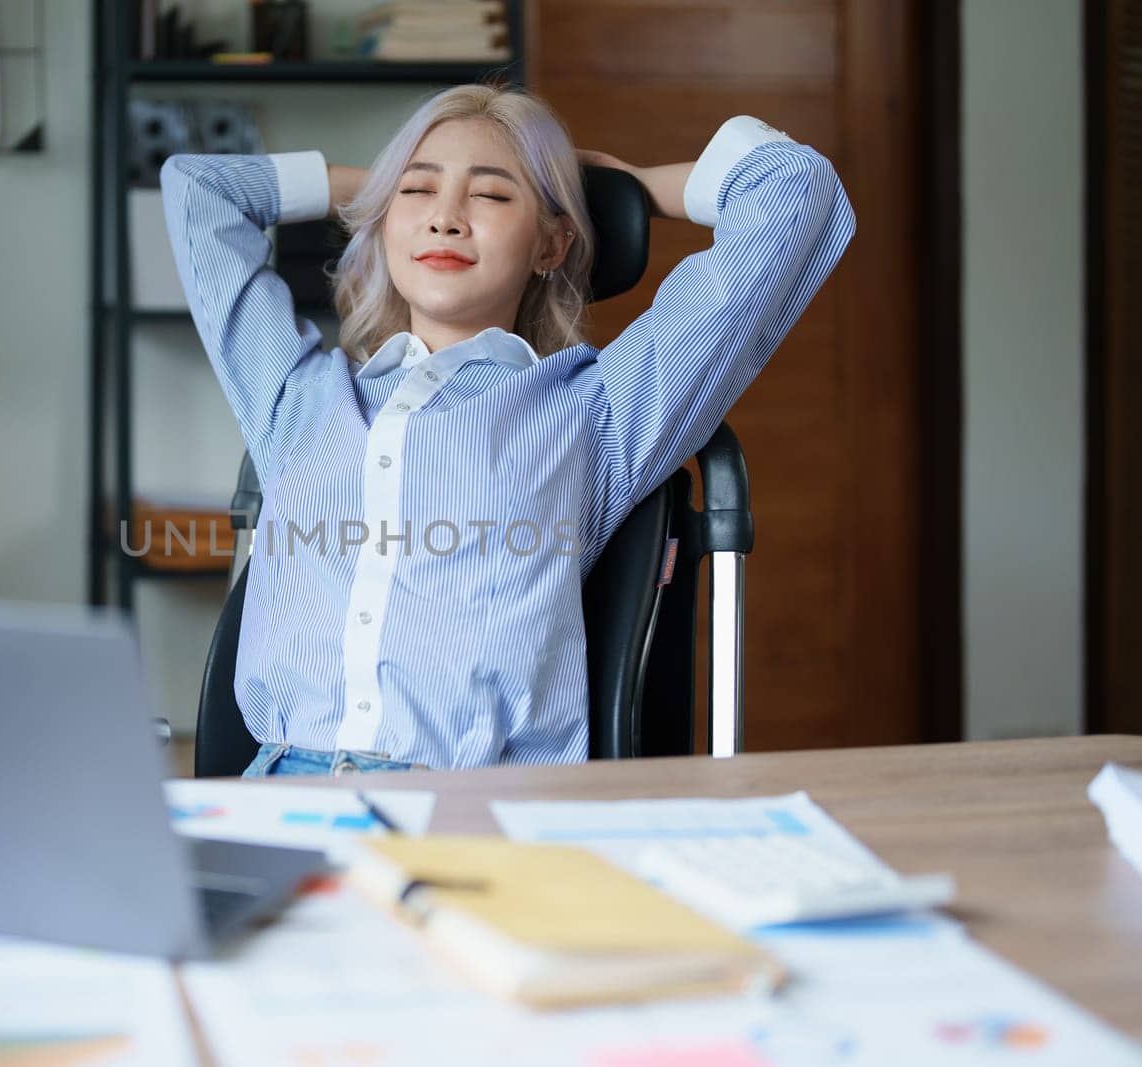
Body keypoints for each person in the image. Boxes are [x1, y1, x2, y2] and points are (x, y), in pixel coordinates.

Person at [159, 83, 854, 777]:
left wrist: (634, 185)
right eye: (419, 194)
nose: (446, 219)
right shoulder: (294, 392)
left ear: (552, 243)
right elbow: (200, 188)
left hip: (477, 808)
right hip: (276, 797)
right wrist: (387, 183)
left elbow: (795, 190)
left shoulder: (596, 412)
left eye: (492, 196)